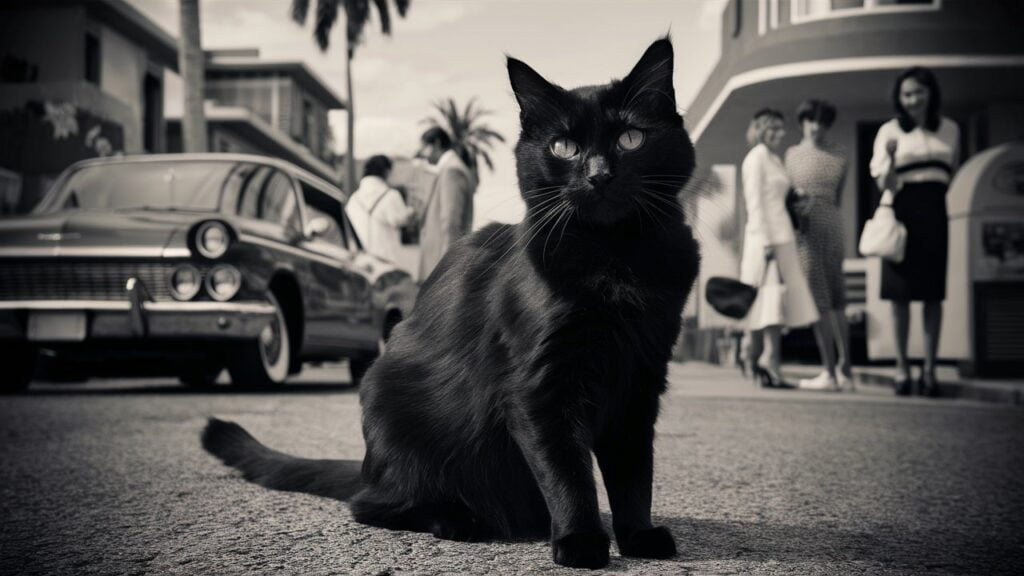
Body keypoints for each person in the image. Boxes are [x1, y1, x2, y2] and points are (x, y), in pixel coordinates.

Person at [869, 67, 960, 397]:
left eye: (918, 92)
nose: (913, 100)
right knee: (899, 296)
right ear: (899, 98)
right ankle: (902, 369)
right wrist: (891, 157)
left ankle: (930, 371)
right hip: (901, 211)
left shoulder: (949, 129)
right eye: (906, 94)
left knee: (933, 294)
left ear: (931, 93)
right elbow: (884, 183)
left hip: (935, 212)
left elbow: (950, 173)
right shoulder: (888, 131)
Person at [740, 109, 820, 388]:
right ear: (760, 128)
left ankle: (757, 355)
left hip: (784, 236)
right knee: (771, 301)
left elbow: (777, 197)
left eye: (780, 128)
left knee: (776, 302)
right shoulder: (757, 157)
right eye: (772, 128)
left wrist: (796, 197)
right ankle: (768, 361)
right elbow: (754, 203)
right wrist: (764, 242)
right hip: (767, 239)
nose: (778, 133)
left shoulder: (775, 159)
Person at [785, 99, 854, 392]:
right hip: (807, 225)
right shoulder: (791, 154)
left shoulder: (840, 153)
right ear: (802, 121)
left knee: (829, 297)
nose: (816, 127)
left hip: (823, 224)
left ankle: (835, 370)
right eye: (811, 120)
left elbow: (836, 196)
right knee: (826, 297)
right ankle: (840, 371)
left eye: (823, 122)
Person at [416, 127, 477, 281]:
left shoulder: (452, 170)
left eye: (424, 147)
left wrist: (448, 268)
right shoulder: (448, 169)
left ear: (436, 144)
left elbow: (451, 221)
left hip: (442, 264)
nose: (422, 153)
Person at [345, 155, 415, 264]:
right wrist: (411, 212)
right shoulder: (391, 195)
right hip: (386, 257)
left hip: (360, 259)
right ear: (386, 171)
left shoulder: (353, 199)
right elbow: (399, 220)